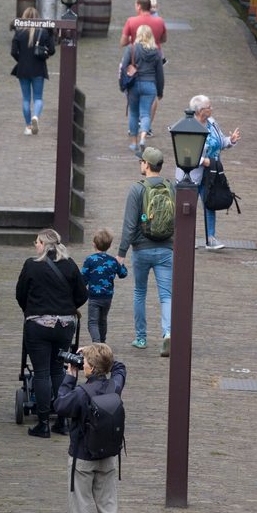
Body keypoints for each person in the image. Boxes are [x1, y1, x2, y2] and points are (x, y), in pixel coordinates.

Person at [54, 343, 126, 513]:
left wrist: (69, 377)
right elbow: (121, 368)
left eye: (84, 362)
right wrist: (102, 353)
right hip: (108, 458)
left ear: (92, 368)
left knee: (80, 511)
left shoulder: (81, 394)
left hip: (82, 459)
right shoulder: (114, 387)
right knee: (108, 509)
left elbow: (60, 405)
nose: (80, 364)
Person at [15, 228, 88, 439]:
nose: (34, 245)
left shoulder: (31, 265)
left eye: (36, 241)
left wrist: (31, 309)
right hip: (65, 326)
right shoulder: (70, 265)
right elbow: (82, 295)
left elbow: (20, 294)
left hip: (38, 324)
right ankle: (63, 420)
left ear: (44, 244)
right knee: (58, 369)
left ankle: (43, 422)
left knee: (41, 372)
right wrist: (66, 307)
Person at [117, 147, 174, 356]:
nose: (140, 164)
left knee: (140, 292)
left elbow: (130, 225)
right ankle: (168, 333)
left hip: (141, 250)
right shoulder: (172, 186)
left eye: (141, 161)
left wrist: (121, 253)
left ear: (147, 165)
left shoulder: (137, 189)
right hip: (167, 248)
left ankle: (141, 337)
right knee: (166, 295)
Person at [182, 95, 240, 251]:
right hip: (192, 174)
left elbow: (221, 142)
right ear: (200, 110)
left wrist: (231, 140)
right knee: (188, 207)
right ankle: (187, 238)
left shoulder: (212, 123)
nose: (211, 109)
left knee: (210, 203)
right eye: (209, 107)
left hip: (211, 174)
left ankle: (211, 238)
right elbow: (185, 152)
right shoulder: (188, 126)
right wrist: (203, 161)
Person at [120, 24, 164, 154]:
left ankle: (134, 143)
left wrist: (123, 85)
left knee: (133, 113)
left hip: (134, 85)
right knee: (145, 113)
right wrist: (160, 91)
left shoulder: (131, 48)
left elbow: (124, 67)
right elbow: (160, 74)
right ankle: (143, 137)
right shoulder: (156, 52)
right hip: (150, 85)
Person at [11, 6, 55, 136]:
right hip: (38, 68)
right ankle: (35, 116)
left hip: (23, 68)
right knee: (38, 98)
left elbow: (13, 52)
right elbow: (52, 50)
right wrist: (51, 35)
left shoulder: (19, 32)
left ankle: (28, 126)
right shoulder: (43, 32)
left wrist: (21, 59)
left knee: (25, 99)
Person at [81, 228, 128, 342]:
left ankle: (97, 343)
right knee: (102, 320)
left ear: (94, 244)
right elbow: (123, 274)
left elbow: (83, 278)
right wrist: (121, 264)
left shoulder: (90, 260)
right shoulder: (112, 261)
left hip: (93, 296)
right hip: (107, 297)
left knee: (92, 322)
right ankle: (103, 342)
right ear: (110, 245)